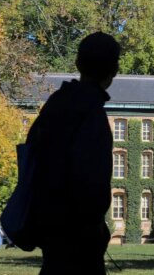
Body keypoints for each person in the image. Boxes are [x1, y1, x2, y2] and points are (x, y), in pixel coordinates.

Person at [27, 32, 119, 274]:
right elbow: (92, 183)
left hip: (50, 228)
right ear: (114, 70)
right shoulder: (92, 113)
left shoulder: (56, 104)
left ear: (78, 64)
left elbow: (30, 156)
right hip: (79, 237)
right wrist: (96, 229)